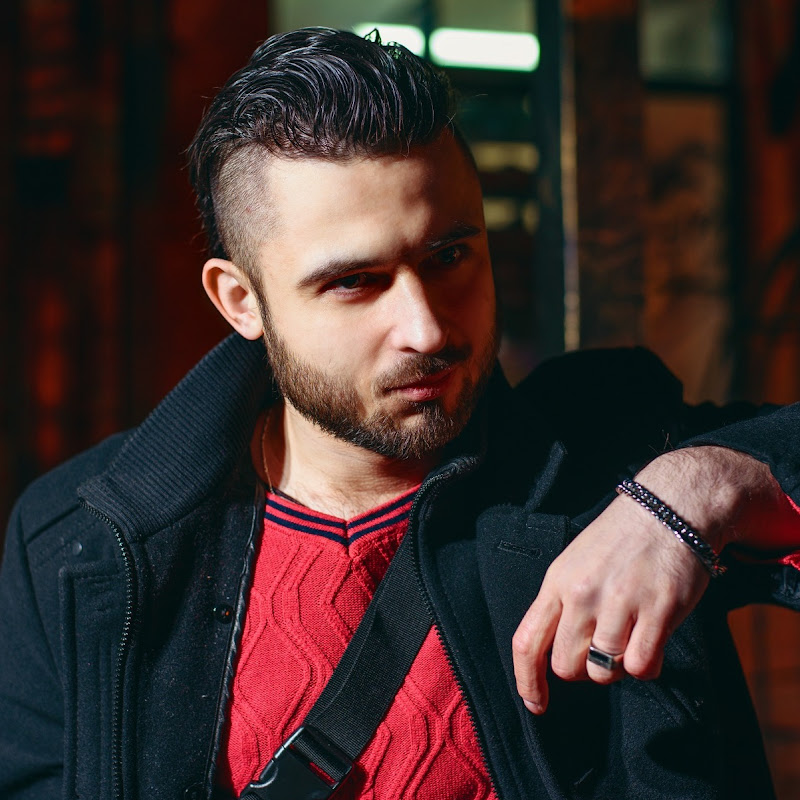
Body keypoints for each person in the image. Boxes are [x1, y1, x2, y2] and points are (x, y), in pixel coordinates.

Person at [1, 27, 799, 800]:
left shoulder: (612, 458)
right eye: (355, 282)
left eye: (449, 256)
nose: (427, 329)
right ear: (240, 301)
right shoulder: (84, 547)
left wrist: (700, 490)